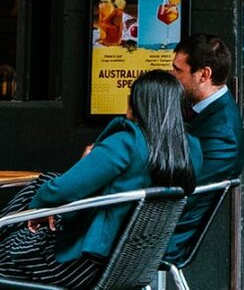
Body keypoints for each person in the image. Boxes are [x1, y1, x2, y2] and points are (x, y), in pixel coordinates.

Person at [0, 70, 202, 289]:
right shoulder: (190, 149)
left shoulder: (126, 143)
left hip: (79, 264)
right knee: (44, 182)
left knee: (13, 239)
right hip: (130, 263)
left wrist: (40, 208)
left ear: (139, 103)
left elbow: (61, 190)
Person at [165, 32, 243, 262]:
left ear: (204, 75)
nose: (172, 75)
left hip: (163, 236)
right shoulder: (198, 109)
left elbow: (181, 193)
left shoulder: (222, 134)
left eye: (178, 70)